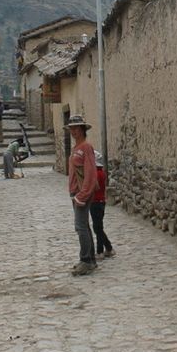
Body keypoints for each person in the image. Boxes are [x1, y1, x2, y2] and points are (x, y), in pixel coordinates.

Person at [66, 115, 98, 276]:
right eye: (71, 128)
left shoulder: (86, 148)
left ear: (83, 129)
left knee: (80, 226)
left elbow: (91, 174)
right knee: (84, 225)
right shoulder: (75, 148)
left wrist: (82, 195)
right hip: (75, 192)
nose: (73, 131)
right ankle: (90, 259)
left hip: (81, 193)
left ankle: (85, 260)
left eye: (76, 128)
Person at [89, 150, 114, 258]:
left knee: (97, 228)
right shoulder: (102, 172)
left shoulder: (95, 174)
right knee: (98, 227)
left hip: (95, 202)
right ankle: (107, 248)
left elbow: (94, 188)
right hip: (101, 202)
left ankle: (103, 250)